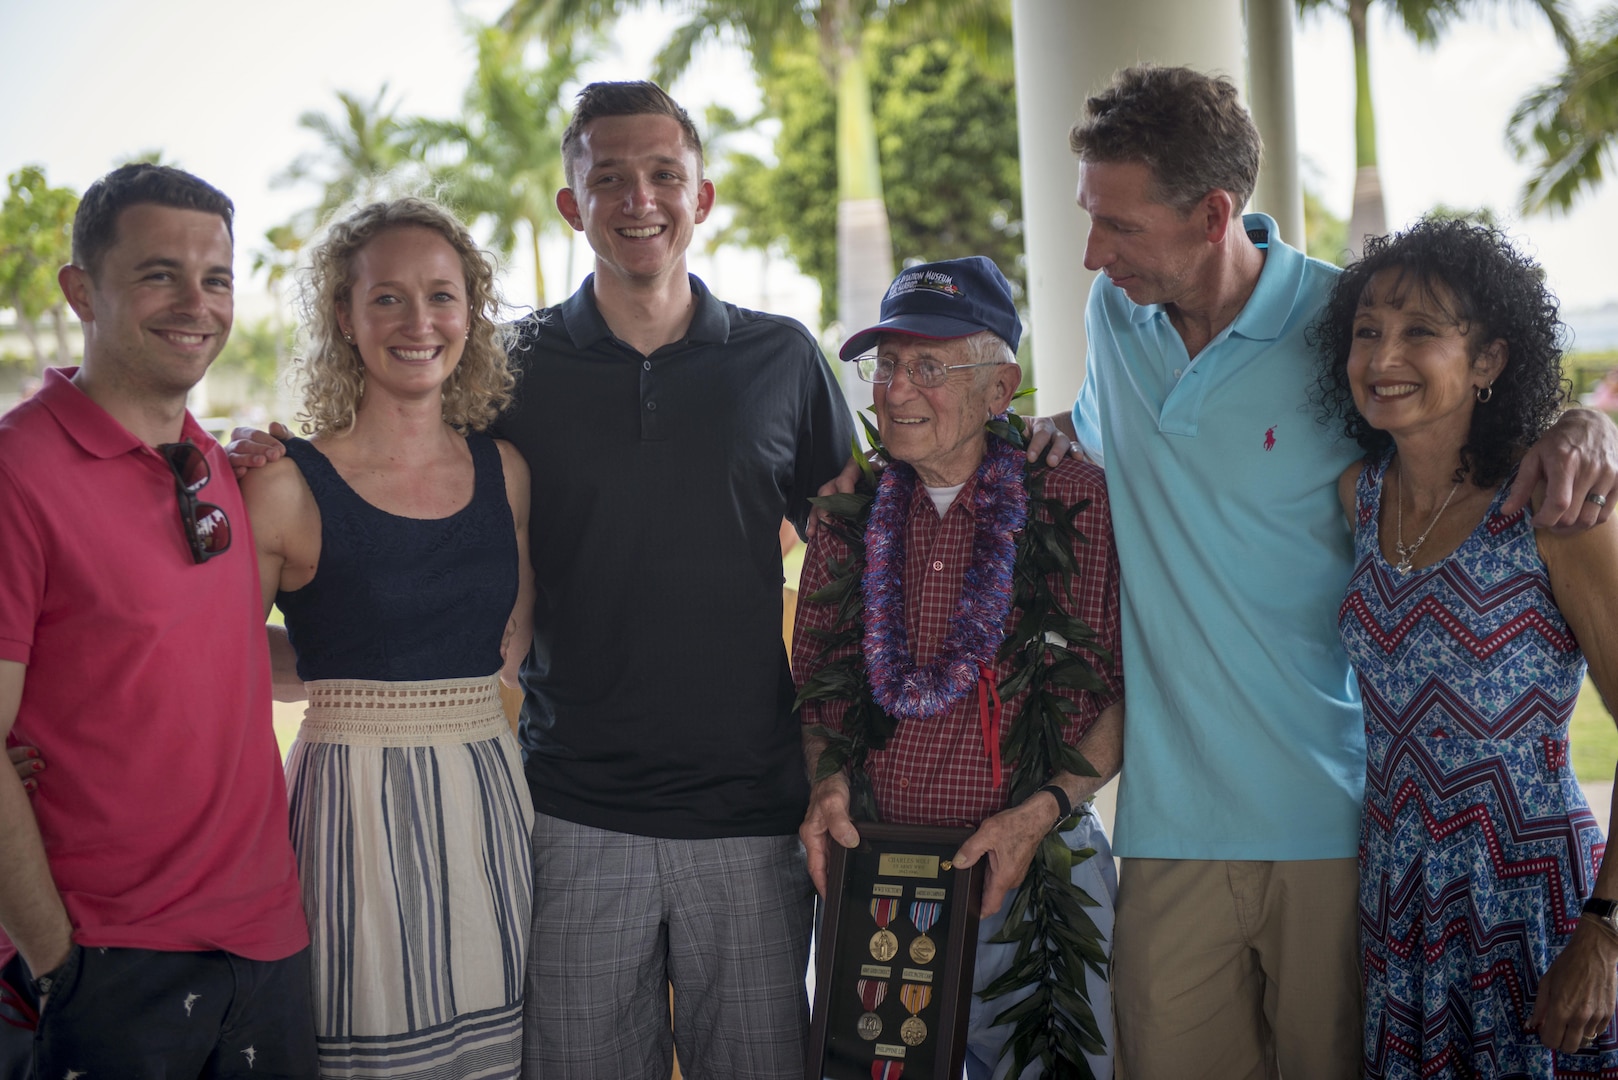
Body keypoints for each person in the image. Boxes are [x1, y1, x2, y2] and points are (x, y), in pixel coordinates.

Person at [229, 81, 854, 1078]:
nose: (638, 198)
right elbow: (397, 472)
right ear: (573, 204)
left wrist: (1012, 455)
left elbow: (856, 555)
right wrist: (260, 452)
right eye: (608, 177)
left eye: (663, 175)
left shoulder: (783, 357)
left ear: (704, 196)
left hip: (752, 806)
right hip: (564, 810)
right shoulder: (510, 371)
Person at [1036, 65, 1618, 1077]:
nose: (1092, 253)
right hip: (1191, 826)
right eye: (1093, 219)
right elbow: (1088, 436)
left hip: (1359, 836)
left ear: (1212, 212)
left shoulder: (1342, 327)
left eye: (1117, 225)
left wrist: (1586, 426)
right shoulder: (1112, 320)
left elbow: (1477, 423)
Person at [0, 164, 315, 1075]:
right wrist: (58, 959)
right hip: (109, 961)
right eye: (157, 274)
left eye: (215, 278)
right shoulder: (19, 472)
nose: (196, 303)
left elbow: (199, 654)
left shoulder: (217, 462)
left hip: (268, 944)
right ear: (80, 292)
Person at [794, 258, 1125, 1079]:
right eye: (886, 364)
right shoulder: (853, 510)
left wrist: (1040, 811)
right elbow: (820, 689)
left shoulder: (1076, 501)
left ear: (999, 387)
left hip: (1036, 883)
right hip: (884, 880)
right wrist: (826, 784)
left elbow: (1124, 694)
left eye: (929, 366)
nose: (896, 389)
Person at [1314, 217, 1618, 1077]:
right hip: (1399, 900)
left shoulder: (1553, 510)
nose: (1383, 357)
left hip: (1531, 899)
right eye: (1367, 330)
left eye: (1421, 332)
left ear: (1488, 360)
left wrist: (1605, 932)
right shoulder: (1357, 498)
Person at [240, 197, 536, 1077]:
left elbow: (504, 644)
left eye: (441, 296)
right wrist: (339, 683)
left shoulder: (506, 473)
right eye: (387, 299)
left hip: (489, 797)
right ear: (344, 315)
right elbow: (221, 661)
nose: (419, 322)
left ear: (469, 315)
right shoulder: (285, 485)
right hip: (349, 809)